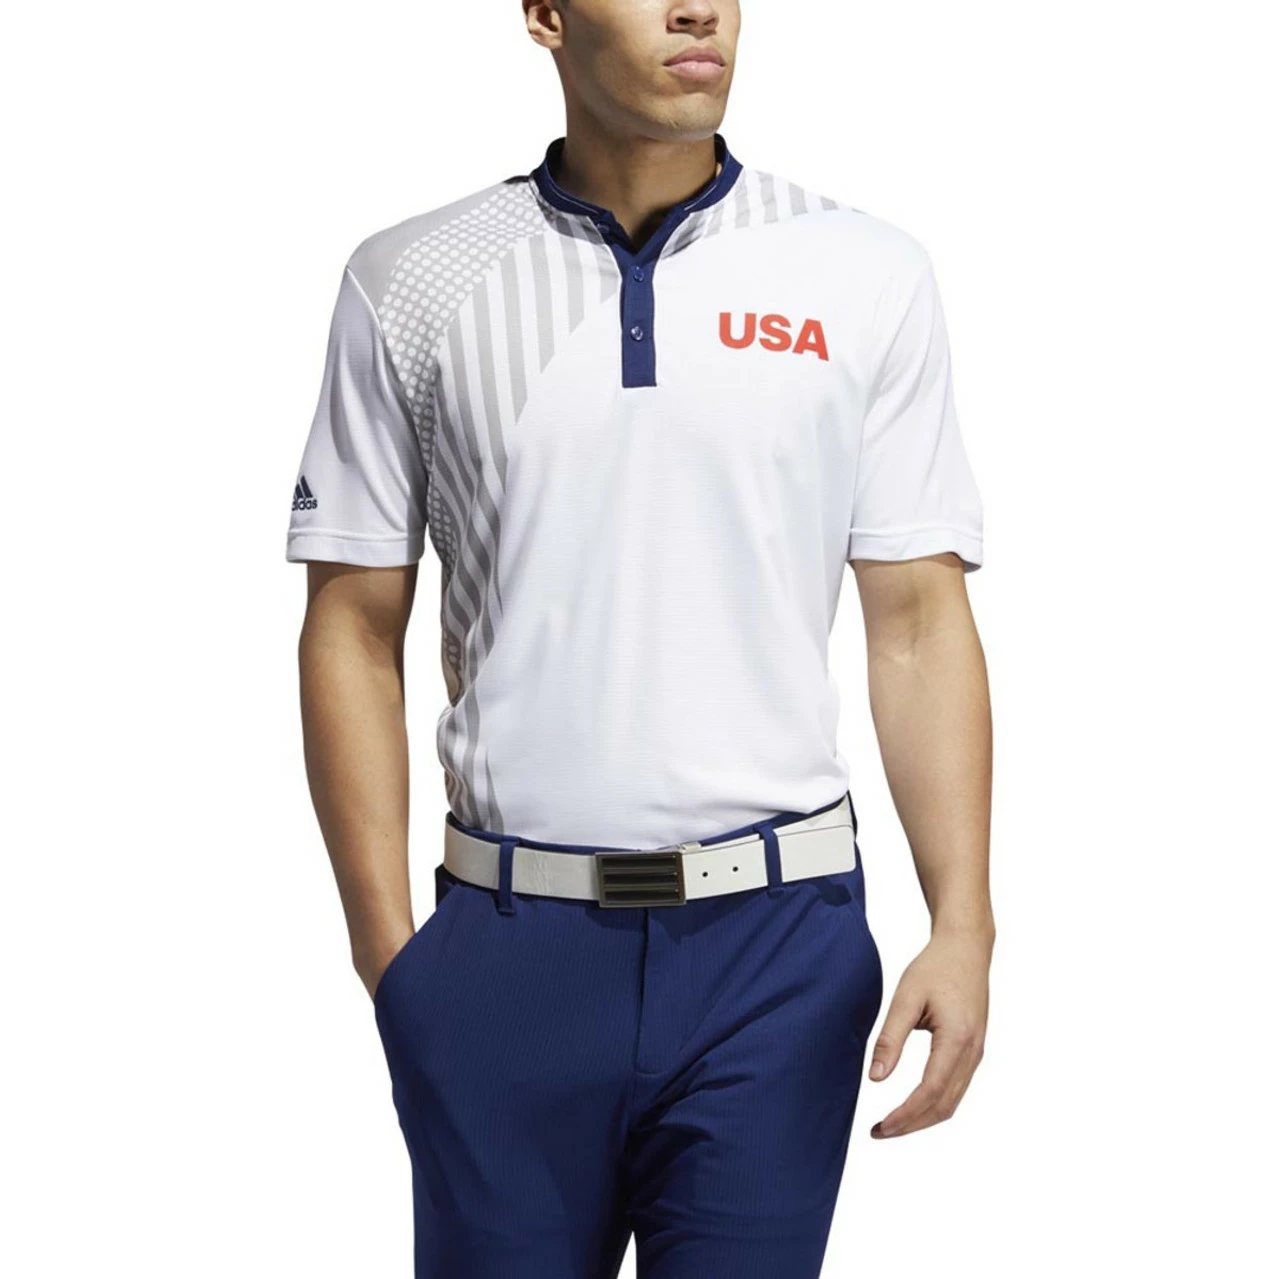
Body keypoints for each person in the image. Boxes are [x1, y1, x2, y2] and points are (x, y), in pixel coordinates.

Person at [285, 2, 993, 1275]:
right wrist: (391, 961)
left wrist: (963, 921)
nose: (697, 8)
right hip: (503, 952)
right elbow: (351, 622)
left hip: (776, 954)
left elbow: (917, 618)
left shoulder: (860, 271)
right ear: (545, 15)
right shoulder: (412, 278)